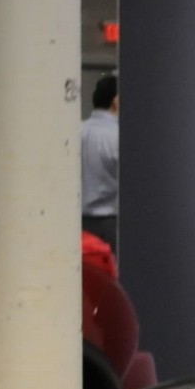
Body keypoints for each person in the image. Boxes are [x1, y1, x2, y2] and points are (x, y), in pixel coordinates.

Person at [80, 72, 120, 253]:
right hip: (108, 227)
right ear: (116, 101)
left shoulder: (76, 130)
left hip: (74, 226)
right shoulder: (117, 137)